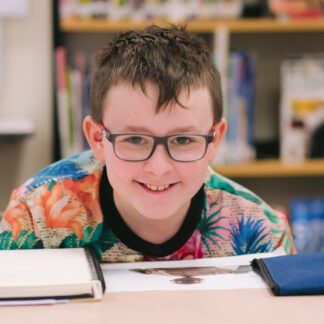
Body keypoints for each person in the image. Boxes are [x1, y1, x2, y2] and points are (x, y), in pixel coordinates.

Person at [0, 25, 296, 261]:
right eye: (135, 139)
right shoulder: (34, 216)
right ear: (96, 139)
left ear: (214, 140)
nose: (158, 168)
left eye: (182, 139)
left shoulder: (263, 234)